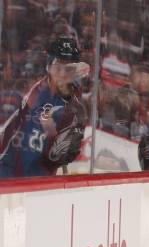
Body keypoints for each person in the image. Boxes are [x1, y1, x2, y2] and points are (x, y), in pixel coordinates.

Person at [0, 36, 86, 178]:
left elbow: (62, 158)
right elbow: (13, 126)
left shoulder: (75, 110)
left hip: (36, 183)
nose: (63, 74)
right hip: (7, 171)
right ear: (49, 66)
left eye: (69, 69)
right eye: (59, 67)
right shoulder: (36, 90)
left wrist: (52, 134)